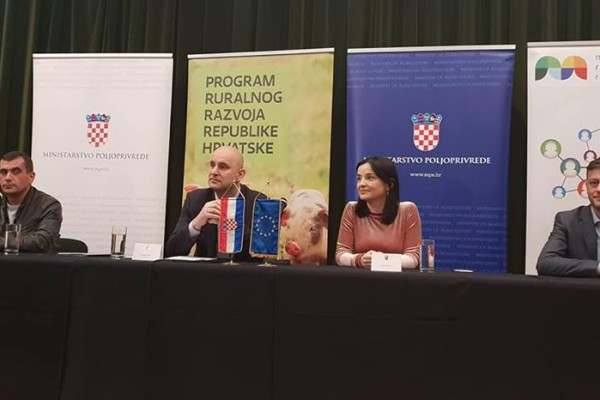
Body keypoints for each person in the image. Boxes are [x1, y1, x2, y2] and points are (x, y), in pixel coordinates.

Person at [165, 146, 266, 260]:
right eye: (212, 165)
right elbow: (172, 251)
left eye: (223, 167)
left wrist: (233, 222)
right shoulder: (195, 199)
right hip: (207, 270)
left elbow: (262, 251)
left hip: (244, 270)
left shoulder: (259, 202)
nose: (213, 172)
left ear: (240, 175)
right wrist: (196, 224)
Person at [336, 156, 422, 269]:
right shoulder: (351, 209)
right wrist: (360, 259)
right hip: (361, 277)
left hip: (396, 278)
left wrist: (380, 261)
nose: (361, 184)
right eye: (359, 178)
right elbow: (340, 255)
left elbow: (413, 258)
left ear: (389, 185)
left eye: (370, 178)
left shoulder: (407, 210)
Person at [537, 158, 600, 277]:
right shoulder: (567, 221)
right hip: (585, 289)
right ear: (586, 186)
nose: (598, 189)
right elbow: (545, 263)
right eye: (593, 183)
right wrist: (597, 267)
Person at [0, 151, 62, 253]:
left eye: (16, 172)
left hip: (33, 262)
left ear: (31, 177)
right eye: (3, 172)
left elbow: (43, 241)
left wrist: (5, 242)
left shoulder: (48, 205)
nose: (8, 178)